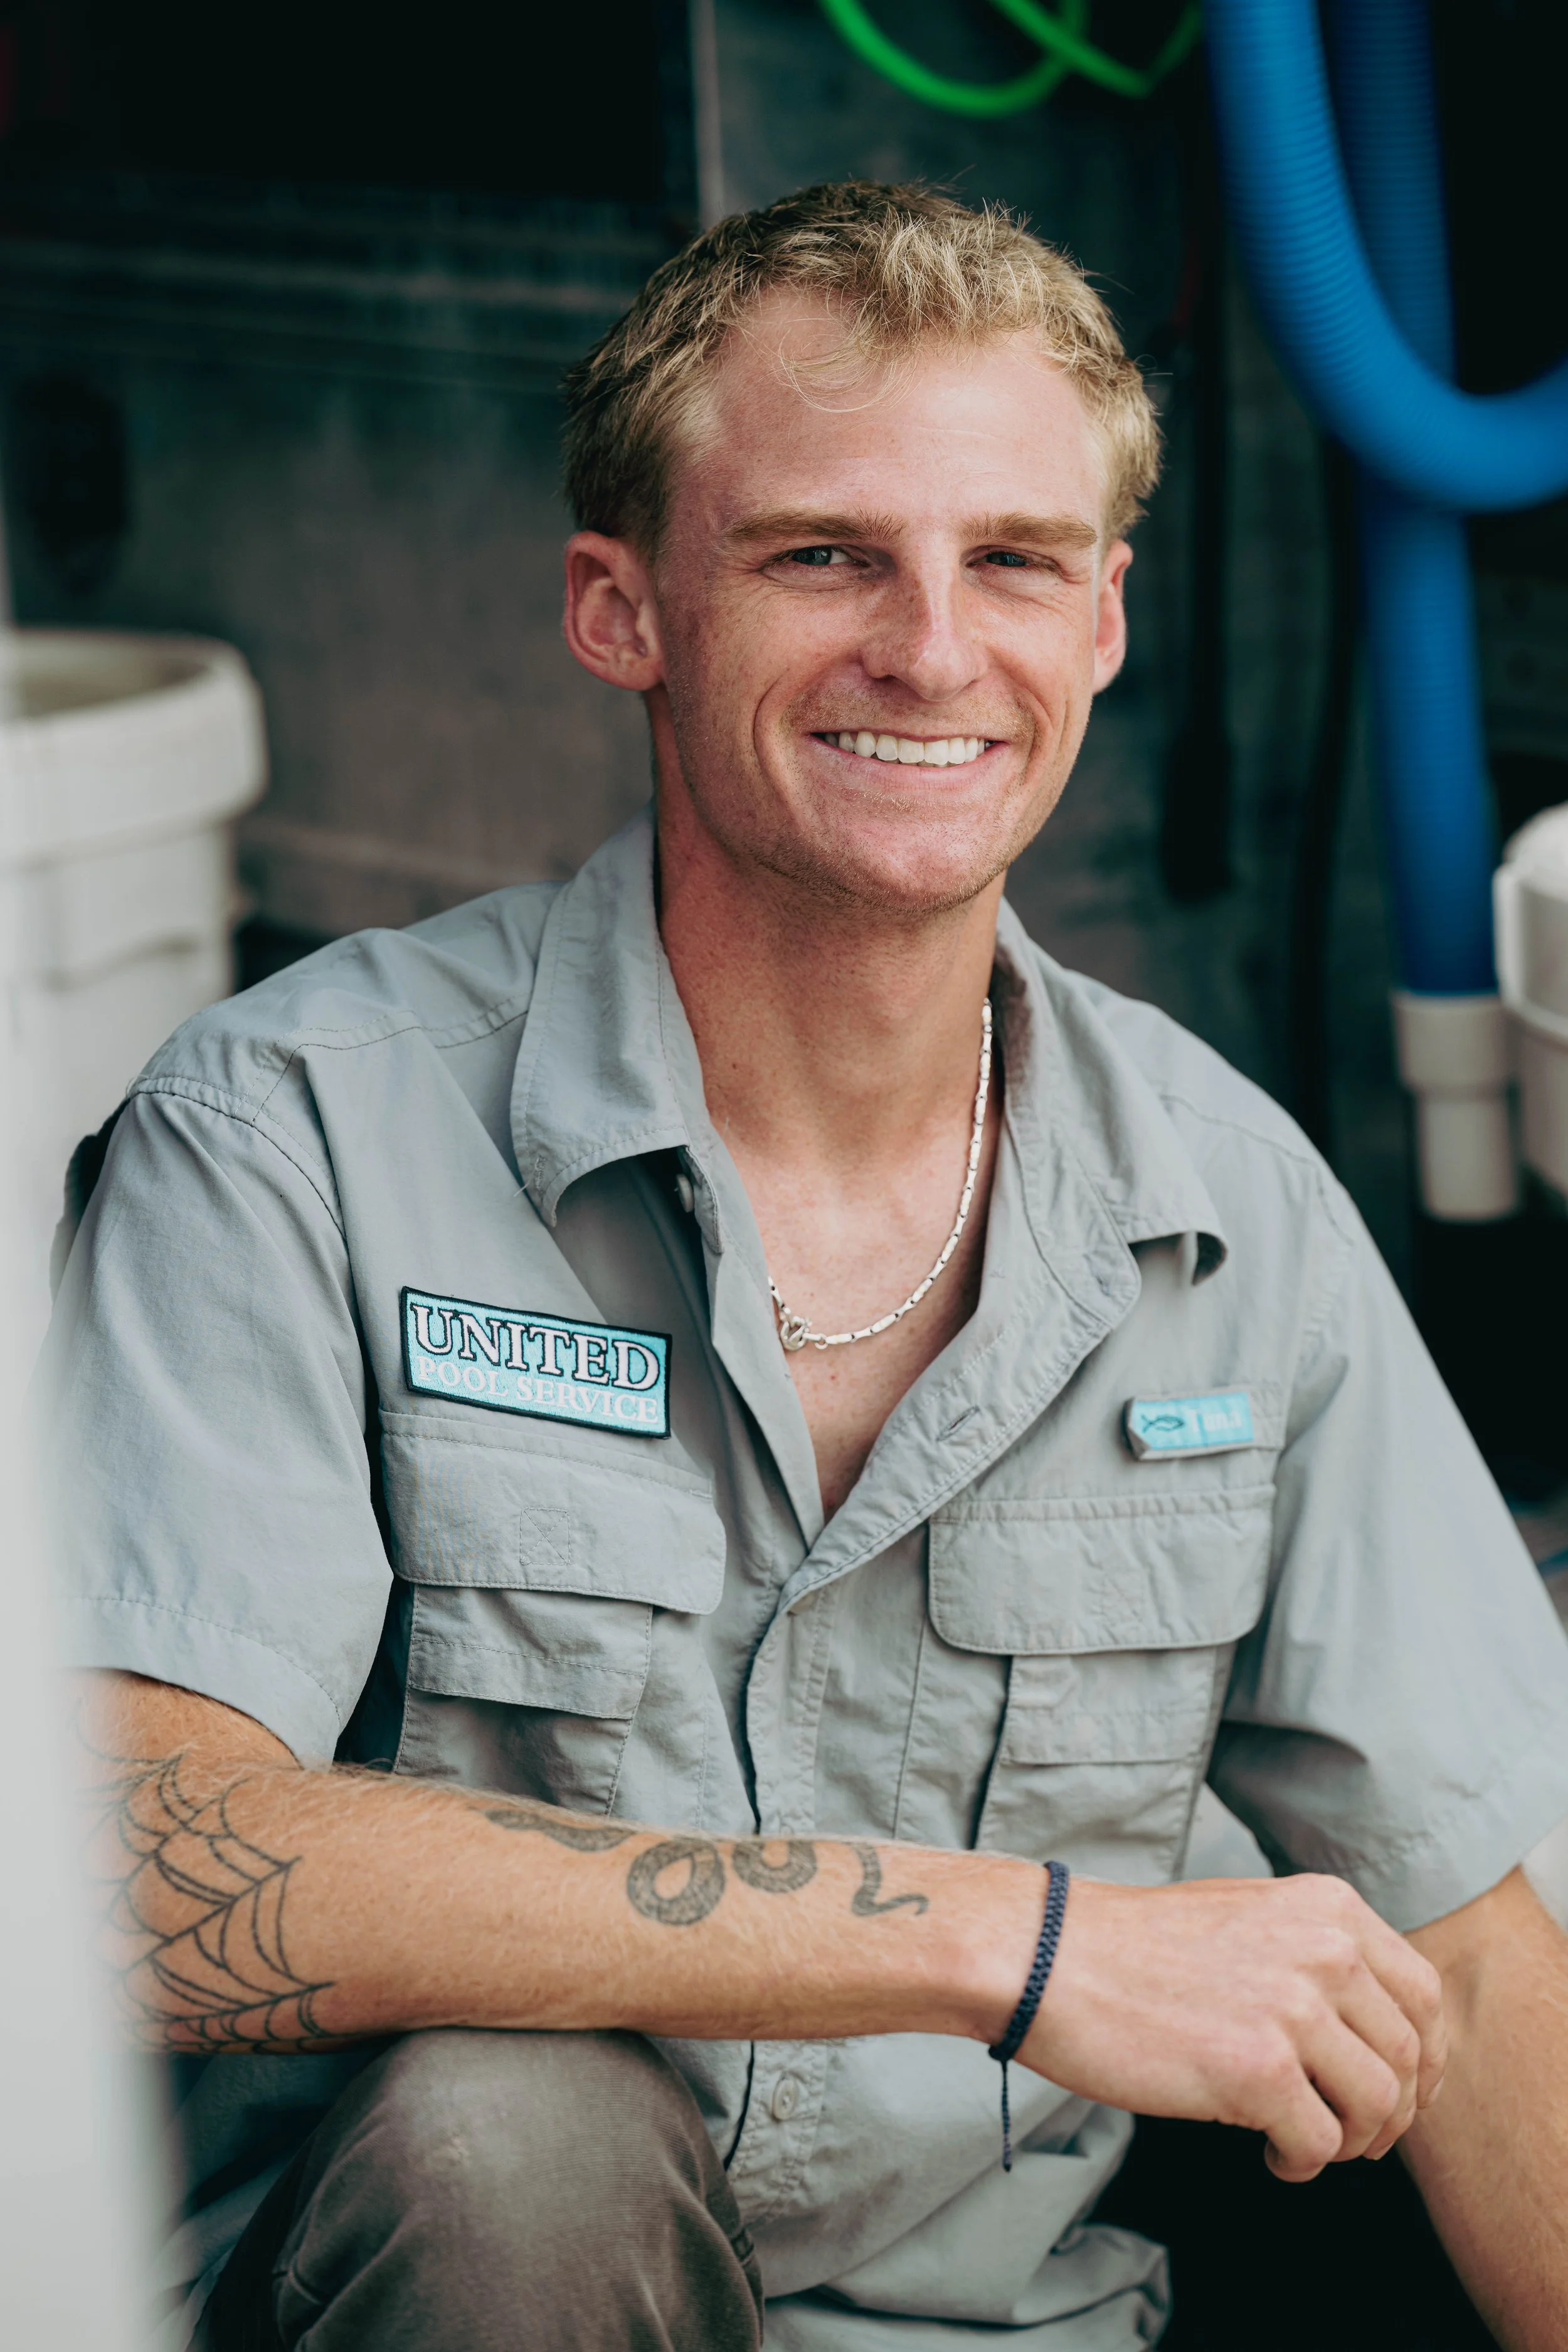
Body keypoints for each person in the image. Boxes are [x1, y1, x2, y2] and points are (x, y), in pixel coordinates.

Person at [43, 181, 1568, 2352]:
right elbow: (121, 1867)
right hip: (430, 2303)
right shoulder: (292, 1130)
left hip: (1004, 2328)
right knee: (510, 2137)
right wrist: (1009, 1943)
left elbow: (1487, 1941)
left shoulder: (1233, 1214)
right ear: (620, 606)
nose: (933, 649)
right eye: (821, 552)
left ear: (1106, 622)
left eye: (1014, 561)